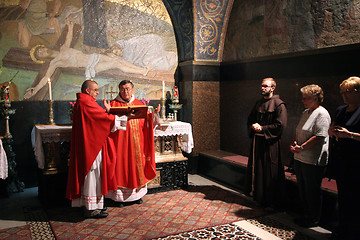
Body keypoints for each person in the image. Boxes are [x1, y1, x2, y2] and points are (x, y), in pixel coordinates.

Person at [23, 19, 151, 100]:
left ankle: (142, 70)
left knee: (118, 60)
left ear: (43, 47)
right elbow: (46, 78)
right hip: (91, 66)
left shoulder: (63, 48)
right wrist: (35, 89)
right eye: (40, 54)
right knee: (116, 64)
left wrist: (70, 26)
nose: (42, 52)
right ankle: (142, 72)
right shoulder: (55, 62)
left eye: (41, 49)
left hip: (93, 57)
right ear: (43, 58)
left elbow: (68, 37)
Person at [66, 79, 129, 218]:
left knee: (92, 176)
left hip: (89, 145)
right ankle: (91, 208)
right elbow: (102, 118)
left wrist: (107, 113)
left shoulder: (81, 102)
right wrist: (121, 118)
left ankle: (93, 205)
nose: (97, 92)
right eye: (95, 90)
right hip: (91, 147)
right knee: (92, 176)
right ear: (87, 90)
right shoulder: (86, 102)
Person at [105, 80, 160, 206]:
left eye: (128, 89)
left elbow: (146, 123)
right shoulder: (113, 105)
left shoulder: (139, 104)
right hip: (120, 146)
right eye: (123, 89)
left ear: (132, 89)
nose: (126, 92)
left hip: (137, 145)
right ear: (119, 90)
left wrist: (154, 115)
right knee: (121, 169)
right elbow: (106, 125)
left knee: (137, 168)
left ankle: (136, 196)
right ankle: (118, 198)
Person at [290, 84, 331, 228]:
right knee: (302, 188)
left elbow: (319, 135)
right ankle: (305, 214)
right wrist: (295, 143)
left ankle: (313, 218)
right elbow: (300, 130)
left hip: (313, 159)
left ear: (315, 98)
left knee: (311, 190)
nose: (302, 100)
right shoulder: (306, 112)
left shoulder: (322, 114)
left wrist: (301, 147)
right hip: (300, 156)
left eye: (305, 98)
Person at [246, 77, 287, 209]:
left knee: (269, 170)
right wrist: (253, 126)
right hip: (257, 142)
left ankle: (270, 200)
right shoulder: (258, 103)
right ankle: (258, 196)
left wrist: (262, 129)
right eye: (262, 85)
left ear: (272, 88)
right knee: (257, 168)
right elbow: (250, 119)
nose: (262, 88)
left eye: (265, 86)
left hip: (270, 143)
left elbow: (280, 126)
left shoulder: (279, 104)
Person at [328, 76, 360, 240]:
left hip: (357, 162)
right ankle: (342, 230)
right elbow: (331, 129)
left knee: (356, 200)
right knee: (343, 197)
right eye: (342, 92)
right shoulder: (341, 110)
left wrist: (351, 135)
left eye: (348, 91)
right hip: (342, 160)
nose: (345, 95)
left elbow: (351, 134)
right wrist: (331, 132)